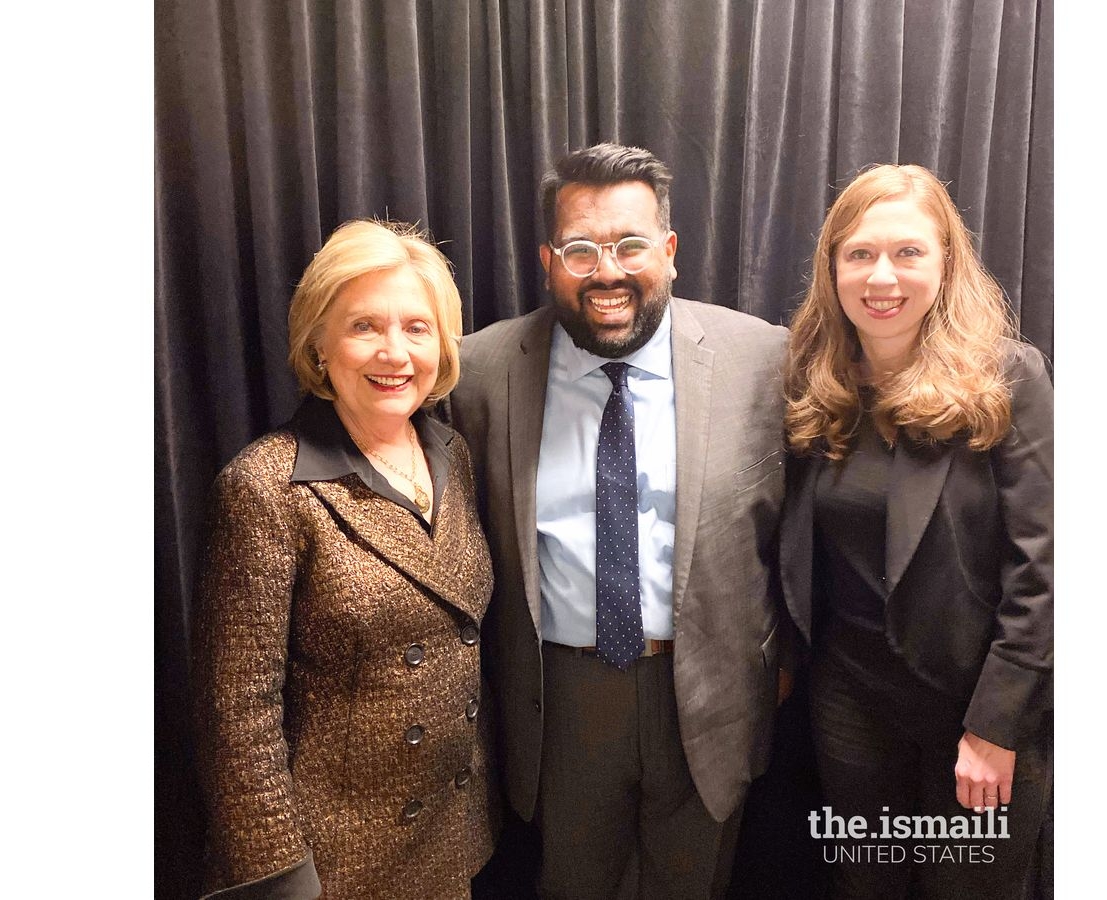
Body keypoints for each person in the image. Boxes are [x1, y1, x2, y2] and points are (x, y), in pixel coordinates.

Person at [446, 143, 791, 899]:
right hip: (560, 700)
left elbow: (801, 534)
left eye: (631, 244)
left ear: (668, 251)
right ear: (548, 259)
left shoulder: (764, 359)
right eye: (581, 248)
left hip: (708, 694)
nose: (608, 270)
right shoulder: (477, 372)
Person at [192, 220, 498, 900]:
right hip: (333, 866)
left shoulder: (454, 456)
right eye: (365, 325)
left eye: (417, 327)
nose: (395, 352)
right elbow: (235, 716)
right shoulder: (266, 486)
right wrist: (279, 878)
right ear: (320, 345)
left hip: (450, 844)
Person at [780, 163, 1052, 899]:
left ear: (946, 263)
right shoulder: (812, 384)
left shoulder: (1007, 379)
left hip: (974, 712)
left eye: (908, 253)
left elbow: (1047, 569)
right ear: (833, 266)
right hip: (850, 707)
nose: (882, 277)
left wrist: (997, 729)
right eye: (860, 254)